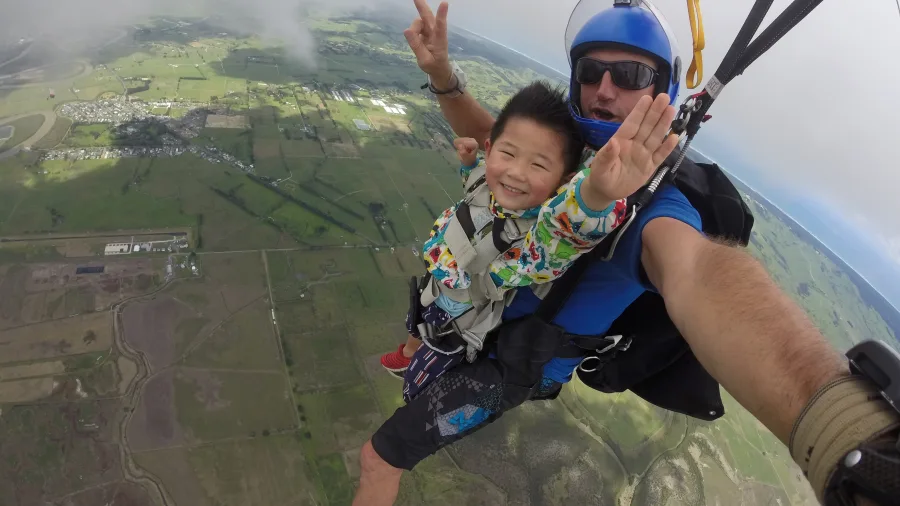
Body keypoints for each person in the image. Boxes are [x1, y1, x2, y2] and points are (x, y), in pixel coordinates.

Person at [354, 2, 900, 505]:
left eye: (632, 75)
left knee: (379, 459)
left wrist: (846, 432)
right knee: (422, 329)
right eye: (591, 71)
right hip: (473, 318)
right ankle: (415, 354)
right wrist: (442, 75)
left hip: (509, 364)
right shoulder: (569, 153)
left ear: (661, 89)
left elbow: (699, 274)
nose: (604, 89)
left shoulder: (655, 205)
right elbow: (497, 144)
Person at [382, 81, 676, 389]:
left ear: (562, 181)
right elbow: (476, 193)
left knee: (421, 381)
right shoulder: (490, 182)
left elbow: (558, 239)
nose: (516, 172)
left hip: (456, 321)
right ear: (489, 149)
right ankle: (408, 352)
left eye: (538, 165)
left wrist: (595, 197)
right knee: (417, 319)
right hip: (436, 280)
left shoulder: (531, 239)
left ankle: (414, 372)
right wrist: (469, 165)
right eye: (508, 153)